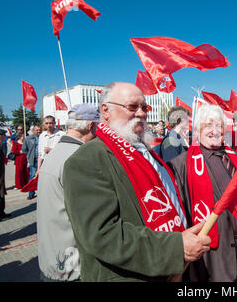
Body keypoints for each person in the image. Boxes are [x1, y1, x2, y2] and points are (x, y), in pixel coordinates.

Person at [63, 82, 211, 282]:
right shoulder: (86, 160)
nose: (141, 113)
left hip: (174, 268)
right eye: (132, 107)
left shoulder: (143, 150)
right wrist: (175, 247)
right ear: (105, 110)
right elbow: (103, 235)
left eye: (145, 107)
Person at [169, 104, 237, 282]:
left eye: (220, 126)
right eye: (209, 125)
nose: (215, 131)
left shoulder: (235, 158)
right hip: (216, 254)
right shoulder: (181, 165)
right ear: (197, 130)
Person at [37, 104, 100, 282]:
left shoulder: (56, 152)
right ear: (90, 126)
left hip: (52, 257)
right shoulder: (79, 157)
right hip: (72, 265)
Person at [22, 125, 41, 199]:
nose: (38, 131)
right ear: (33, 130)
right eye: (37, 130)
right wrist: (29, 156)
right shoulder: (28, 138)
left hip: (42, 159)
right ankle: (31, 193)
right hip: (33, 159)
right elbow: (24, 149)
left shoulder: (43, 137)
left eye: (39, 130)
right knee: (33, 175)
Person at [0, 129, 11, 221]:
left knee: (1, 193)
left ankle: (1, 212)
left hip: (1, 175)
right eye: (3, 135)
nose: (5, 137)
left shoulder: (1, 146)